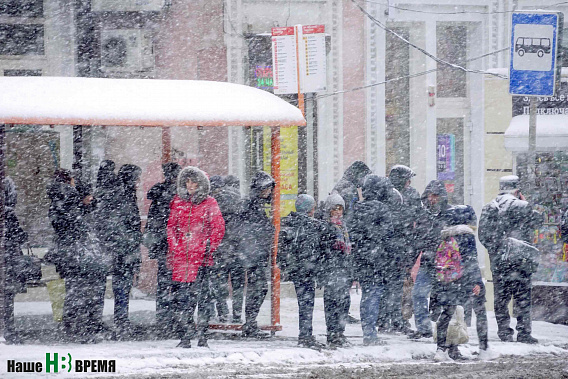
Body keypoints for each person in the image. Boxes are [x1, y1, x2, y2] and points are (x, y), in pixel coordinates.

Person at [478, 175, 542, 344]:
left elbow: (483, 235)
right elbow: (537, 223)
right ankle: (524, 332)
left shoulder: (489, 207)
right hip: (521, 261)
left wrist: (497, 250)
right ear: (516, 190)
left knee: (501, 298)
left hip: (500, 262)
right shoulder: (522, 206)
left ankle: (504, 331)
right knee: (523, 298)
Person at [167, 166, 225, 348]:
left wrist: (207, 245)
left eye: (194, 181)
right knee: (184, 299)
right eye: (187, 181)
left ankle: (202, 336)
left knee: (202, 298)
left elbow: (218, 227)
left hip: (201, 258)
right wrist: (175, 246)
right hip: (182, 258)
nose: (190, 185)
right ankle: (185, 336)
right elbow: (171, 226)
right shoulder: (178, 202)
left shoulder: (209, 203)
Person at [47, 169, 105, 343]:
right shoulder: (67, 203)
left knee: (76, 291)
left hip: (73, 255)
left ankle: (76, 326)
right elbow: (75, 227)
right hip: (76, 255)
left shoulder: (61, 203)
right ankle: (79, 328)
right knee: (79, 292)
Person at [428, 205, 488, 361]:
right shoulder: (466, 235)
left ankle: (443, 350)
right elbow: (471, 260)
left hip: (444, 280)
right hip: (462, 280)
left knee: (448, 314)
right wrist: (476, 282)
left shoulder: (444, 235)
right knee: (470, 313)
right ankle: (484, 349)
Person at [350, 175, 395, 345]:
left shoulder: (358, 208)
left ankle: (367, 330)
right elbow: (387, 234)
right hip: (377, 260)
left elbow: (353, 232)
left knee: (367, 295)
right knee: (374, 294)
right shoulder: (382, 209)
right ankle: (370, 334)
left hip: (362, 259)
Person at [278, 194, 326, 350]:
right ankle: (305, 335)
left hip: (297, 270)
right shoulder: (313, 226)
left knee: (304, 302)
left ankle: (305, 334)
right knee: (307, 303)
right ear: (309, 209)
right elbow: (317, 250)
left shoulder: (289, 223)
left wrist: (287, 266)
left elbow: (282, 249)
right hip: (307, 270)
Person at [409, 180, 452, 340]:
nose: (432, 199)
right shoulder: (423, 215)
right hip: (428, 262)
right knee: (419, 294)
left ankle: (442, 327)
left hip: (445, 264)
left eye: (435, 195)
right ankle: (424, 328)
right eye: (430, 196)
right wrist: (409, 263)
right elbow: (416, 241)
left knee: (444, 297)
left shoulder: (449, 214)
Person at [384, 165, 422, 334]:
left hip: (398, 247)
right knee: (394, 286)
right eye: (407, 179)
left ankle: (391, 320)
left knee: (393, 286)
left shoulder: (405, 194)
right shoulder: (394, 196)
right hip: (398, 247)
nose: (409, 182)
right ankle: (396, 320)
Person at [145, 162, 181, 334]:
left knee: (164, 280)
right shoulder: (176, 195)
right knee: (176, 280)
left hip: (162, 244)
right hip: (174, 243)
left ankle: (163, 316)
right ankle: (173, 316)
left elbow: (152, 223)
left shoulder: (158, 194)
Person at [238, 171, 275, 338]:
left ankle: (250, 322)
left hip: (255, 254)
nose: (269, 192)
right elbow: (249, 230)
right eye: (267, 188)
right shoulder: (251, 205)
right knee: (258, 288)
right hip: (253, 255)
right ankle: (250, 323)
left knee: (258, 288)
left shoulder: (255, 205)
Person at [209, 175, 244, 324]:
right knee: (238, 285)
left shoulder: (213, 202)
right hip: (238, 249)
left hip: (220, 249)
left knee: (219, 283)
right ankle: (237, 315)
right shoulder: (241, 201)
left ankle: (222, 312)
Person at [319, 193, 352, 348]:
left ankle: (340, 332)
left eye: (340, 209)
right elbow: (324, 249)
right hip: (332, 271)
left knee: (344, 302)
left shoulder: (343, 226)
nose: (338, 212)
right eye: (335, 209)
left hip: (343, 271)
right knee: (332, 303)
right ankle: (333, 333)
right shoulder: (327, 227)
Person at [113, 164, 143, 338]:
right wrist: (131, 241)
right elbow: (126, 223)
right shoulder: (124, 196)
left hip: (123, 248)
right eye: (137, 177)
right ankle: (121, 320)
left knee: (122, 284)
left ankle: (122, 319)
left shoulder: (123, 194)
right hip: (124, 249)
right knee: (123, 285)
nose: (139, 181)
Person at [92, 160, 121, 333]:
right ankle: (96, 319)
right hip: (108, 241)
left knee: (98, 284)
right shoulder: (114, 189)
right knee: (102, 283)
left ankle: (95, 318)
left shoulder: (100, 188)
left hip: (101, 242)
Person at [3, 177, 28, 344]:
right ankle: (9, 330)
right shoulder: (8, 213)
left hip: (5, 258)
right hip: (7, 260)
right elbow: (19, 236)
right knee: (6, 298)